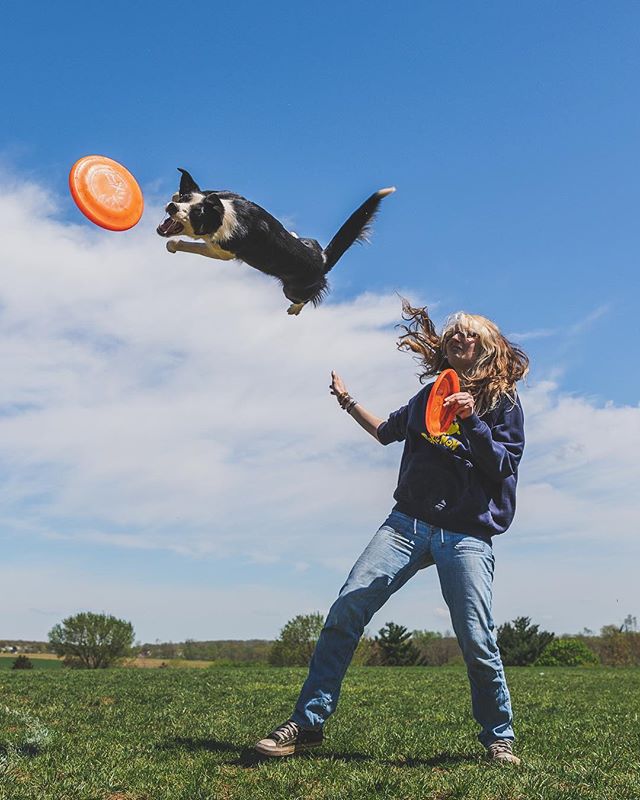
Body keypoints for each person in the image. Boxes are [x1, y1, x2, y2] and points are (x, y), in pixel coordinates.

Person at [255, 301, 529, 764]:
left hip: (465, 534)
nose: (458, 338)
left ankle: (497, 735)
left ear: (487, 349)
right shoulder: (428, 397)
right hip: (407, 523)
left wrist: (471, 420)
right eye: (454, 334)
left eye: (470, 335)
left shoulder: (503, 403)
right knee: (347, 609)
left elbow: (502, 465)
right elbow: (385, 431)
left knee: (476, 637)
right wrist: (347, 402)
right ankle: (307, 723)